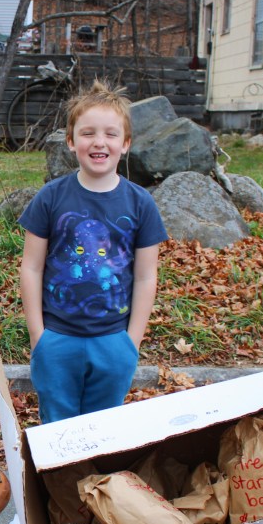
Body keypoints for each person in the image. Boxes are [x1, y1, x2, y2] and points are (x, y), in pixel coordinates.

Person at [18, 80, 167, 424]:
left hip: (114, 342)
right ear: (71, 141)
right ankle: (58, 481)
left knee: (103, 435)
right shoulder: (50, 198)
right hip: (57, 339)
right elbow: (31, 268)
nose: (99, 142)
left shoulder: (140, 204)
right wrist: (39, 337)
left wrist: (131, 344)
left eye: (111, 134)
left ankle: (96, 482)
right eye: (88, 133)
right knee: (57, 433)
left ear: (126, 144)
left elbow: (146, 276)